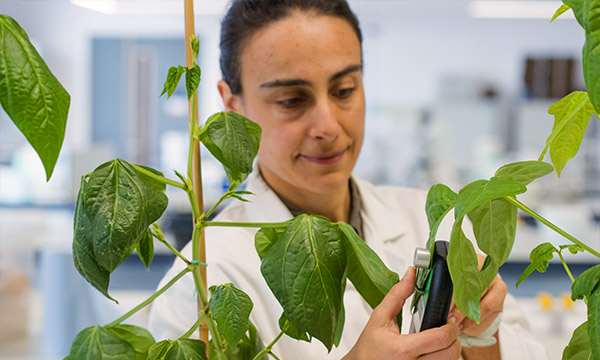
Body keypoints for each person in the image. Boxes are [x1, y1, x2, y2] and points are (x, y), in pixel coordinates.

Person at [148, 1, 547, 358]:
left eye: (344, 90)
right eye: (291, 100)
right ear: (232, 104)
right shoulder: (204, 279)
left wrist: (483, 339)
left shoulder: (430, 219)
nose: (328, 126)